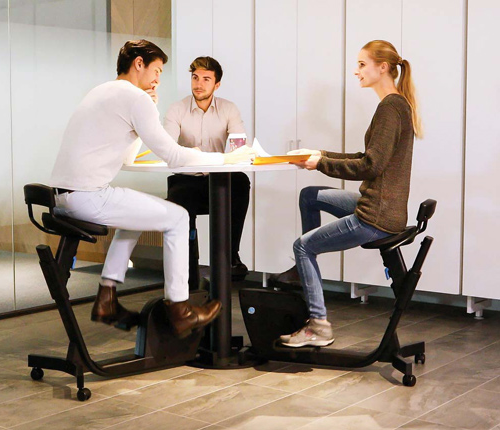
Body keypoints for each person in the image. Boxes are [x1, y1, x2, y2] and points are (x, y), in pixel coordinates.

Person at [49, 40, 255, 338]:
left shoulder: (103, 90)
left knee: (136, 215)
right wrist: (226, 158)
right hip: (87, 197)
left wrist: (149, 109)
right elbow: (173, 155)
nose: (158, 78)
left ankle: (106, 297)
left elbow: (128, 155)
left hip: (65, 196)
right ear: (139, 64)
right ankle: (180, 310)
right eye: (156, 70)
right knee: (178, 218)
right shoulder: (134, 98)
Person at [279, 40, 422, 348]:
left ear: (382, 67)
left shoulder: (390, 108)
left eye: (361, 64)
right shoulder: (396, 105)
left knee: (302, 247)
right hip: (384, 207)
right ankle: (304, 271)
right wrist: (319, 153)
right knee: (310, 195)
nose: (356, 70)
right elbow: (366, 155)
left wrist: (320, 163)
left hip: (376, 216)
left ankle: (318, 326)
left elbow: (370, 165)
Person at [164, 56, 250, 287]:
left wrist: (201, 155)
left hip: (219, 179)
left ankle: (230, 257)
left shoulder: (229, 109)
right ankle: (188, 272)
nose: (198, 84)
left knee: (241, 181)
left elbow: (238, 148)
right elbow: (168, 149)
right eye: (195, 77)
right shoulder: (176, 109)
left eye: (206, 79)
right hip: (187, 180)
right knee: (180, 205)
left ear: (216, 85)